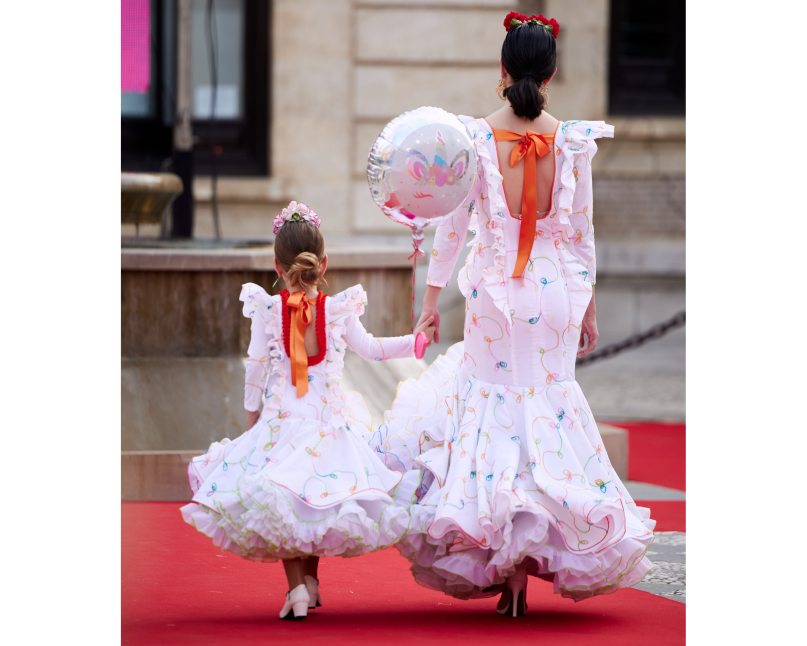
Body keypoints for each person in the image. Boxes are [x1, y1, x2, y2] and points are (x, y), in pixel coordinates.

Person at [373, 12, 655, 616]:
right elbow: (581, 235)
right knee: (548, 412)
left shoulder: (474, 139)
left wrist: (430, 300)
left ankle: (509, 568)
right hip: (553, 297)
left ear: (502, 69)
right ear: (551, 74)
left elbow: (453, 229)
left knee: (497, 416)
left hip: (496, 296)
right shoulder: (573, 140)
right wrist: (588, 307)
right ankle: (533, 558)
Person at [181, 201, 435, 621]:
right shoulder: (337, 310)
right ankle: (311, 584)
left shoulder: (267, 311)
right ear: (323, 263)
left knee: (284, 501)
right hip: (328, 427)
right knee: (314, 501)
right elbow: (371, 349)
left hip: (283, 425)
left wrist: (251, 424)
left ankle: (298, 586)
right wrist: (416, 342)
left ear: (278, 267)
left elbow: (255, 370)